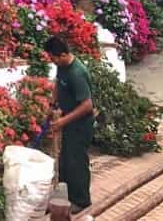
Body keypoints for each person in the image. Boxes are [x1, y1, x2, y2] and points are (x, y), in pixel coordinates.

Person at [44, 35, 95, 213]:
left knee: (77, 163)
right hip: (70, 123)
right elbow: (58, 83)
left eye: (53, 58)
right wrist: (52, 104)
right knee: (65, 161)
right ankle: (65, 199)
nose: (52, 61)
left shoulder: (77, 73)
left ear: (63, 54)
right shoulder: (62, 67)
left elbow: (87, 105)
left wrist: (62, 121)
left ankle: (82, 201)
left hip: (81, 125)